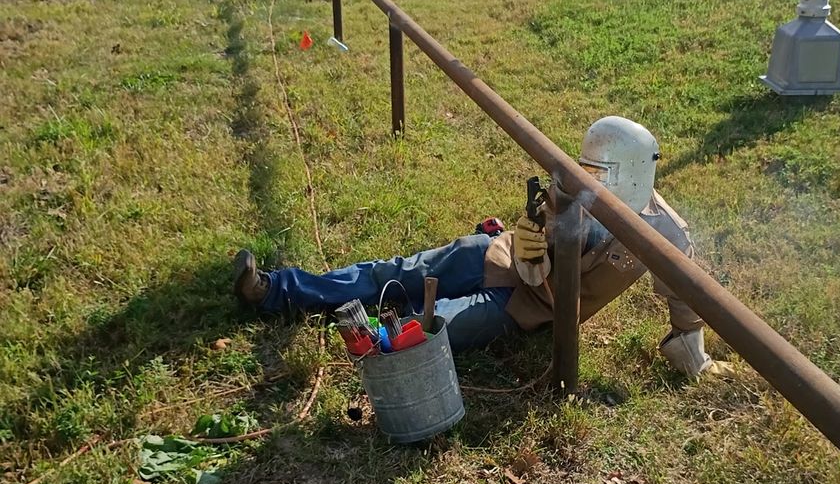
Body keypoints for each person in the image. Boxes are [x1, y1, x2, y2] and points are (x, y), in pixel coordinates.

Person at [233, 117, 717, 377]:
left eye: (600, 173)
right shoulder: (572, 187)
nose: (588, 181)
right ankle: (275, 289)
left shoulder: (664, 234)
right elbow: (534, 235)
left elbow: (686, 297)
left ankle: (364, 337)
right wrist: (530, 240)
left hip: (524, 308)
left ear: (632, 173)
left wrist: (692, 354)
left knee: (426, 326)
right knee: (391, 273)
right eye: (585, 168)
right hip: (491, 255)